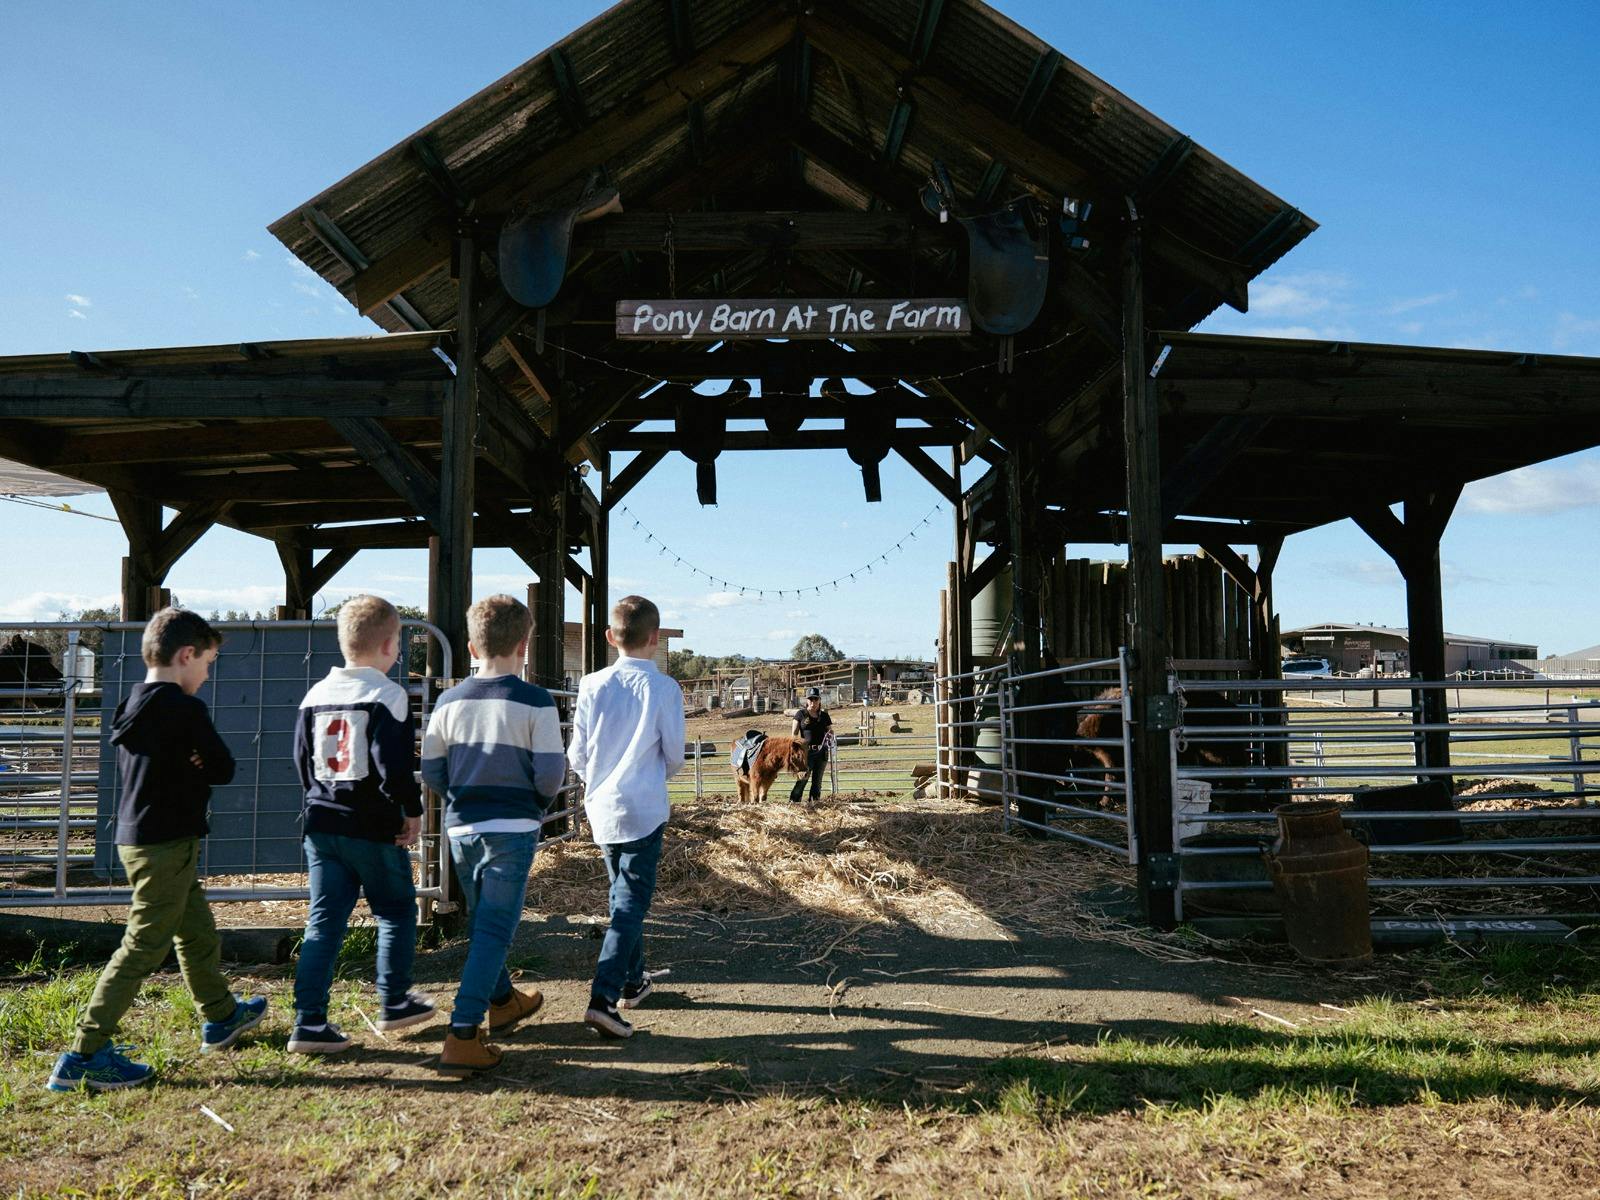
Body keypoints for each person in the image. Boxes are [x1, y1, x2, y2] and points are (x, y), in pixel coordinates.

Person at [47, 608, 266, 1092]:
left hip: (139, 840)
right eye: (207, 662)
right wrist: (199, 759)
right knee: (144, 944)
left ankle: (222, 1015)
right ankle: (84, 1054)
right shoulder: (184, 709)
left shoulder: (132, 703)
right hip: (167, 842)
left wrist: (192, 759)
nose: (208, 673)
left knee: (195, 929)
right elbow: (224, 767)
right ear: (186, 655)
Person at [421, 595, 566, 1075]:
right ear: (524, 645)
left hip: (461, 825)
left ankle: (503, 1002)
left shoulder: (448, 701)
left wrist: (460, 799)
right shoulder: (535, 701)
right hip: (513, 826)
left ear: (469, 646)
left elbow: (433, 770)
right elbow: (550, 773)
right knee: (495, 929)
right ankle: (463, 1032)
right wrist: (534, 807)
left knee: (483, 919)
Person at [287, 595, 432, 1055]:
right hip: (372, 826)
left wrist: (318, 801)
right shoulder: (387, 695)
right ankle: (394, 1000)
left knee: (323, 922)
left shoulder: (314, 694)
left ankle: (309, 1021)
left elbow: (300, 761)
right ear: (392, 645)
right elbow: (393, 765)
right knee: (394, 911)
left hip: (322, 821)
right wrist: (411, 810)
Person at [567, 595, 685, 1039]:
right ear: (655, 638)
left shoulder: (592, 685)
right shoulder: (665, 689)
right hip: (645, 807)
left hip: (602, 808)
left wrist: (597, 781)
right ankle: (603, 997)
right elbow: (674, 754)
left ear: (609, 637)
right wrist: (653, 776)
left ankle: (634, 982)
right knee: (630, 905)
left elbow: (577, 754)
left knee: (621, 896)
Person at [789, 687, 832, 803]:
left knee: (817, 781)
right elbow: (794, 734)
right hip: (806, 753)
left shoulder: (824, 716)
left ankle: (814, 802)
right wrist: (796, 750)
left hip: (822, 752)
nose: (813, 702)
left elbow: (830, 731)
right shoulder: (800, 714)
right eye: (811, 699)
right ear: (807, 701)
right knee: (803, 778)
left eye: (816, 699)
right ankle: (794, 801)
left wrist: (830, 737)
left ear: (819, 700)